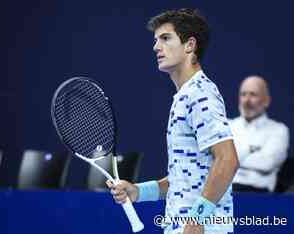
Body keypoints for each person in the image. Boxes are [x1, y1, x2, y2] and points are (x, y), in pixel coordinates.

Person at [107, 8, 239, 234]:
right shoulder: (185, 96)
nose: (156, 47)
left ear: (189, 45)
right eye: (156, 40)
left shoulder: (200, 93)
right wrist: (138, 192)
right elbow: (183, 179)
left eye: (165, 38)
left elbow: (228, 160)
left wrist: (197, 220)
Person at [230, 76, 289, 193]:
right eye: (243, 94)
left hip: (258, 196)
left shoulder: (278, 130)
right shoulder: (227, 126)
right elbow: (211, 161)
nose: (247, 100)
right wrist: (250, 151)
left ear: (266, 100)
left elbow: (267, 163)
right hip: (224, 193)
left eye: (253, 95)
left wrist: (229, 159)